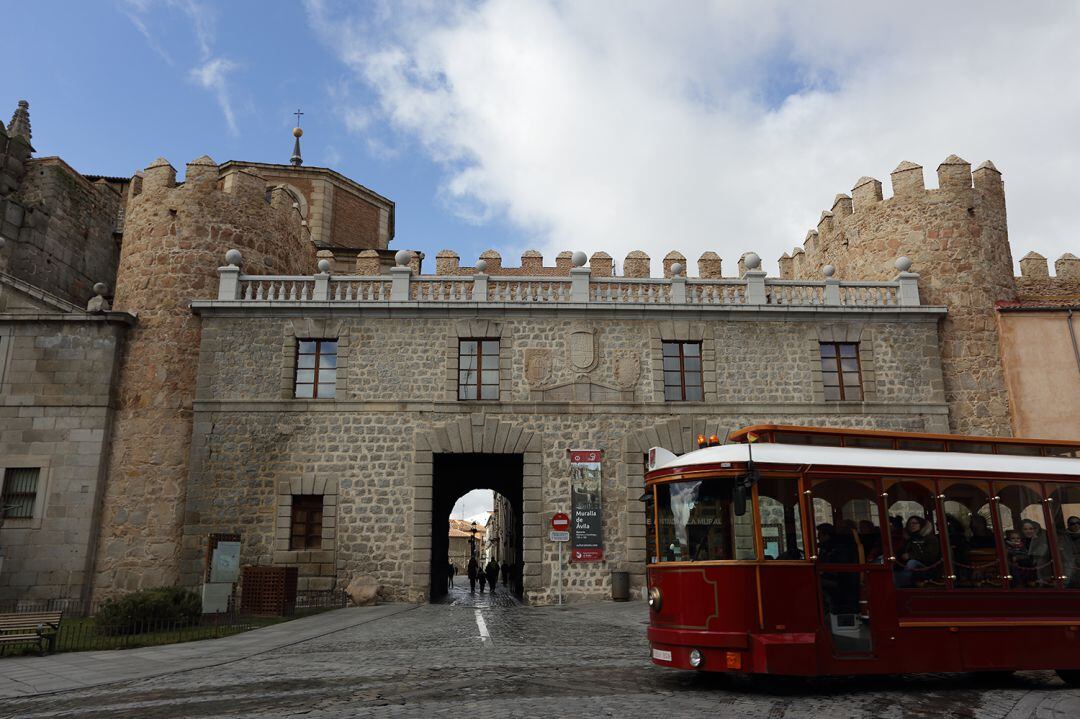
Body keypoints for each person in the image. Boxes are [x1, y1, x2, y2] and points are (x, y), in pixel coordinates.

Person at [894, 515, 941, 587]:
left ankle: (901, 587)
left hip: (927, 566)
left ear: (921, 524)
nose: (911, 525)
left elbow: (931, 556)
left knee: (911, 563)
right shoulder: (908, 538)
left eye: (914, 523)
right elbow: (901, 551)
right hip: (905, 565)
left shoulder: (930, 538)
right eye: (909, 524)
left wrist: (910, 556)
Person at [1059, 515, 1080, 588]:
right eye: (1072, 524)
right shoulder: (1063, 536)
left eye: (1078, 523)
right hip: (1070, 564)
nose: (1076, 525)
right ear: (1068, 525)